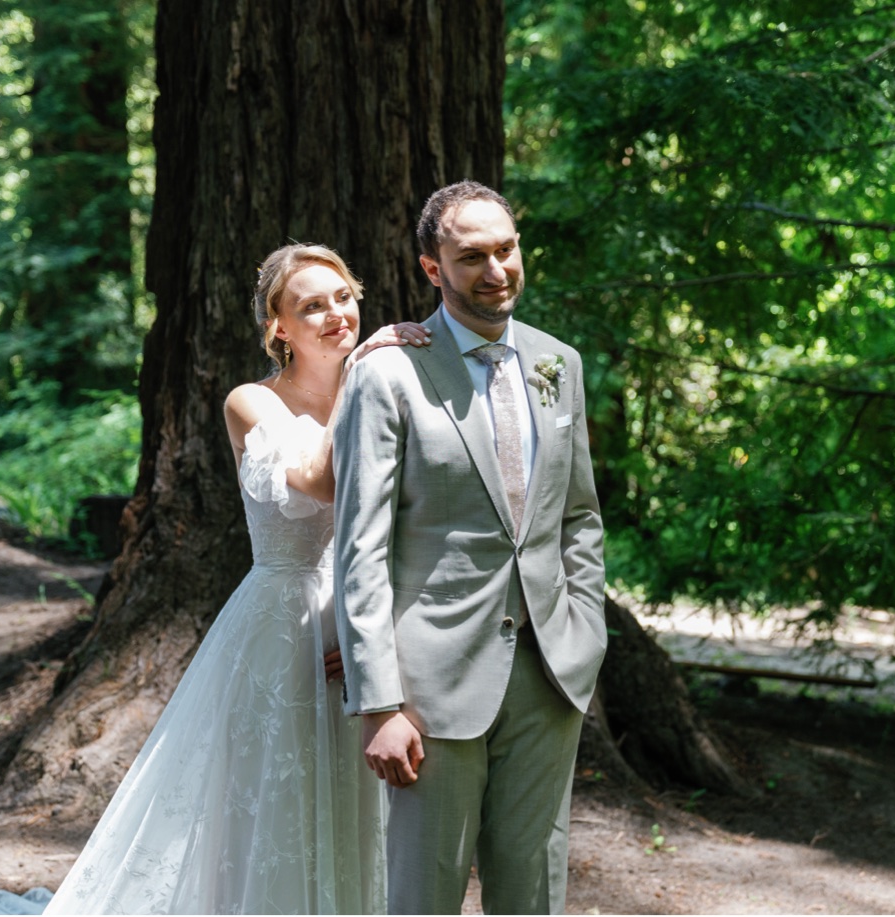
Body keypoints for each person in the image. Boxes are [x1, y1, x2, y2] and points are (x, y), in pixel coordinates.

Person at [0, 243, 432, 916]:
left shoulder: (394, 387)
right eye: (311, 305)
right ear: (278, 327)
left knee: (362, 799)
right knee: (278, 801)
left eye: (342, 297)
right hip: (286, 628)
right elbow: (320, 479)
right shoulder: (252, 402)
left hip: (368, 620)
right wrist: (364, 374)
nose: (336, 314)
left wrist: (380, 637)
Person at [332, 181, 607, 915]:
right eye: (472, 256)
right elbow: (360, 545)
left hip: (550, 676)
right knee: (424, 895)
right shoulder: (388, 372)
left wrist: (586, 633)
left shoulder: (560, 364)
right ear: (432, 268)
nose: (497, 270)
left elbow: (579, 516)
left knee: (533, 891)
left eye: (507, 249)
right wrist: (379, 700)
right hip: (429, 687)